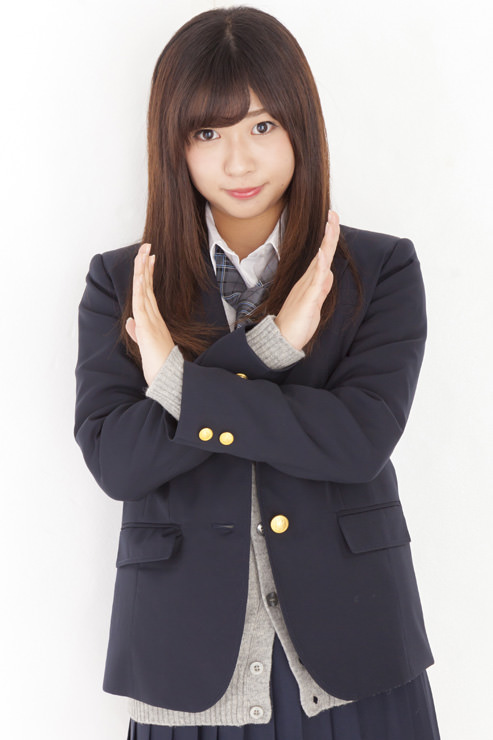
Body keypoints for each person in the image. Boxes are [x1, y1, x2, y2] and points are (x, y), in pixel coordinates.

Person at [74, 6, 441, 739]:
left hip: (354, 659)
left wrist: (177, 384)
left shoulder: (378, 269)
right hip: (186, 670)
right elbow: (120, 463)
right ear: (173, 144)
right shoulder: (124, 284)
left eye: (262, 126)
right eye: (207, 133)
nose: (238, 162)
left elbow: (356, 443)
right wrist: (267, 348)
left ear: (301, 125)